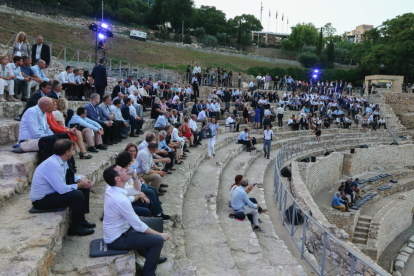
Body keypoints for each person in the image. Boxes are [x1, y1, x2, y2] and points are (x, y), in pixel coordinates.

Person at [102, 164, 169, 276]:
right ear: (117, 178)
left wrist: (134, 176)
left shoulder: (113, 187)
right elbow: (138, 226)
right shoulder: (121, 200)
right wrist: (160, 235)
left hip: (123, 228)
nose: (127, 170)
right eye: (123, 170)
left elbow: (136, 190)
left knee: (156, 222)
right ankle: (148, 273)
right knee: (158, 240)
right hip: (117, 238)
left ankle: (151, 256)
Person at [31, 139, 96, 235]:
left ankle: (81, 220)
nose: (73, 151)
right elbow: (62, 189)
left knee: (84, 187)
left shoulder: (61, 160)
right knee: (77, 194)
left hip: (52, 193)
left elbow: (69, 176)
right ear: (67, 152)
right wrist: (78, 185)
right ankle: (75, 228)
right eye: (72, 149)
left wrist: (80, 181)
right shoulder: (54, 165)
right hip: (41, 200)